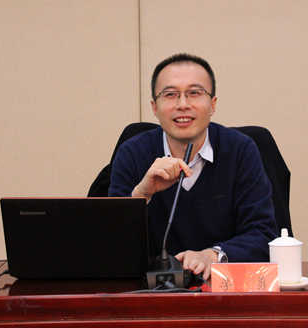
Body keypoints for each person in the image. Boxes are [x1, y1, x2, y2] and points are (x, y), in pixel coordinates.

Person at [108, 53, 277, 280]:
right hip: (152, 290)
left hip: (223, 289)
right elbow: (112, 245)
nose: (183, 105)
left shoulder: (241, 150)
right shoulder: (132, 153)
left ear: (212, 104)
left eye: (194, 93)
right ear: (154, 107)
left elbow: (263, 235)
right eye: (170, 95)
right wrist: (141, 195)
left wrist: (213, 255)